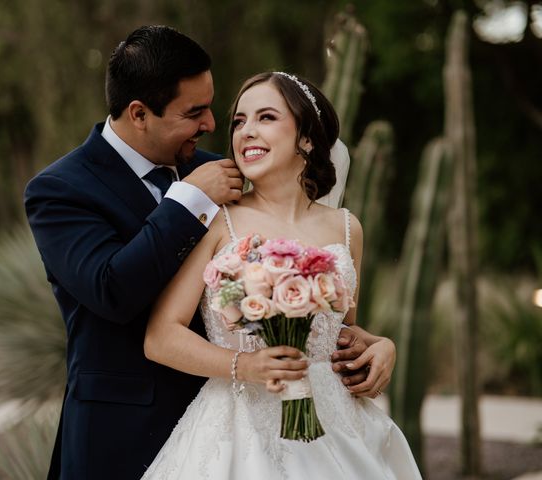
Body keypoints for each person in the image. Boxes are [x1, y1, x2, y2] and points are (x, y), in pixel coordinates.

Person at [25, 25, 390, 480]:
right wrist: (187, 201)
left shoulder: (220, 169)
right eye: (195, 111)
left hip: (246, 421)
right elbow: (111, 290)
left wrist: (378, 344)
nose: (214, 125)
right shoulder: (61, 191)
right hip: (123, 428)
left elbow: (307, 301)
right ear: (139, 113)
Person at [142, 72, 421, 479]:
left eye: (266, 117)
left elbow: (340, 335)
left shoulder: (346, 228)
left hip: (336, 428)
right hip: (237, 432)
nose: (246, 132)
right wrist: (245, 364)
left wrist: (382, 347)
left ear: (307, 138)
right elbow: (160, 336)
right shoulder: (216, 220)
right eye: (239, 121)